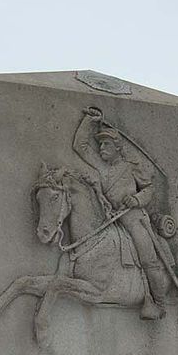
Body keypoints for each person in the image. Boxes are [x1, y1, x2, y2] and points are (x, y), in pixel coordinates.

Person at [73, 107, 170, 320]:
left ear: (118, 147)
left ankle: (159, 304)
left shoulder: (130, 167)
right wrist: (90, 120)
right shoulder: (101, 168)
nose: (101, 149)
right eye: (100, 145)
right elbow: (80, 146)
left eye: (106, 144)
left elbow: (150, 189)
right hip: (110, 219)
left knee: (148, 259)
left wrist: (136, 199)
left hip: (133, 218)